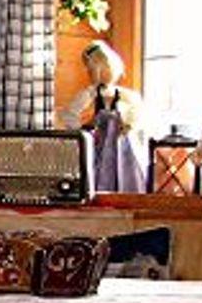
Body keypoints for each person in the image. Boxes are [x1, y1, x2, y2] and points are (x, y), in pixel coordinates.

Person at [58, 40, 149, 194]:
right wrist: (83, 129)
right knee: (97, 173)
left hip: (121, 143)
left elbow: (137, 111)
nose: (89, 72)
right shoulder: (90, 93)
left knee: (126, 172)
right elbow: (69, 114)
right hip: (99, 143)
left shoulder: (124, 94)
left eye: (90, 68)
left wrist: (128, 125)